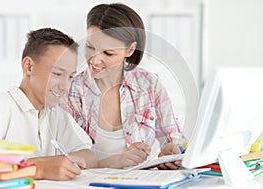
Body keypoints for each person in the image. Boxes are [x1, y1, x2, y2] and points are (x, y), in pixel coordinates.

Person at [0, 28, 97, 180]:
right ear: (29, 67)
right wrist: (39, 168)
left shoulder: (56, 114)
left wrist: (68, 161)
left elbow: (88, 154)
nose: (65, 86)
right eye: (58, 74)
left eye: (70, 77)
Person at [68, 3, 182, 169]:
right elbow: (66, 157)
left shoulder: (150, 84)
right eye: (90, 47)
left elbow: (173, 138)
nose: (95, 60)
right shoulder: (72, 89)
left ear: (130, 50)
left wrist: (171, 153)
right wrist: (112, 162)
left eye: (108, 53)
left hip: (143, 183)